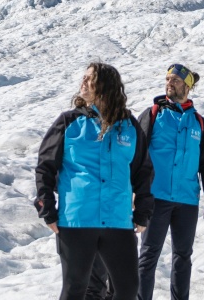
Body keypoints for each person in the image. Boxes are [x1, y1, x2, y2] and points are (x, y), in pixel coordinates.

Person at [36, 62, 156, 300]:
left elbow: (143, 170)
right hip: (77, 220)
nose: (84, 82)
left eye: (90, 78)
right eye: (84, 77)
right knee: (75, 290)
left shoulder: (129, 126)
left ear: (106, 86)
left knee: (128, 289)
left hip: (118, 222)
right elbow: (45, 167)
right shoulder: (68, 122)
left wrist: (143, 211)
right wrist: (46, 207)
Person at [133, 64, 204, 300]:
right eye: (167, 79)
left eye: (175, 80)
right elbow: (136, 154)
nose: (169, 83)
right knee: (149, 255)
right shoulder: (153, 114)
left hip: (186, 200)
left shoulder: (199, 124)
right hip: (156, 197)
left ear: (188, 86)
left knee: (183, 256)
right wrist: (134, 191)